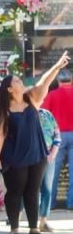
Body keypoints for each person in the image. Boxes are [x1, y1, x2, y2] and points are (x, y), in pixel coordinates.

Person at [0, 52, 70, 234]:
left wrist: (57, 66)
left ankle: (34, 227)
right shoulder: (5, 109)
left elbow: (43, 81)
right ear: (10, 89)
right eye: (17, 82)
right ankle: (14, 228)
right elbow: (0, 134)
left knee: (33, 190)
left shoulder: (31, 99)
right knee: (16, 190)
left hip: (37, 154)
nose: (21, 83)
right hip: (14, 156)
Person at [42, 68, 73, 209]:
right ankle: (71, 203)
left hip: (58, 136)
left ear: (59, 81)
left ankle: (51, 204)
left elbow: (43, 114)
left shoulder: (52, 95)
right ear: (71, 80)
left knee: (53, 170)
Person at [38, 108, 61, 233]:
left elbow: (57, 135)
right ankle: (20, 219)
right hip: (32, 158)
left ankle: (43, 221)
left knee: (47, 188)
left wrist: (52, 154)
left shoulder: (47, 115)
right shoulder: (24, 113)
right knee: (31, 189)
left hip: (48, 157)